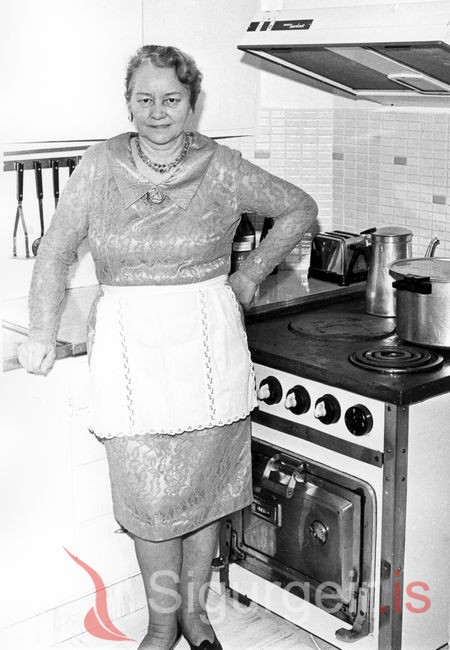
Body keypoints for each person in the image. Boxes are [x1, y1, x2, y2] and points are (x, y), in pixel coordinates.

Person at [17, 45, 318, 650]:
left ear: (192, 103)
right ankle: (161, 623)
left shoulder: (223, 166)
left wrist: (249, 274)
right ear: (128, 103)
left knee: (206, 490)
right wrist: (42, 330)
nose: (158, 111)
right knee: (148, 497)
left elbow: (298, 209)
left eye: (172, 99)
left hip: (207, 339)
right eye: (145, 99)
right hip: (129, 344)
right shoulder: (99, 165)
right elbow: (54, 249)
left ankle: (195, 615)